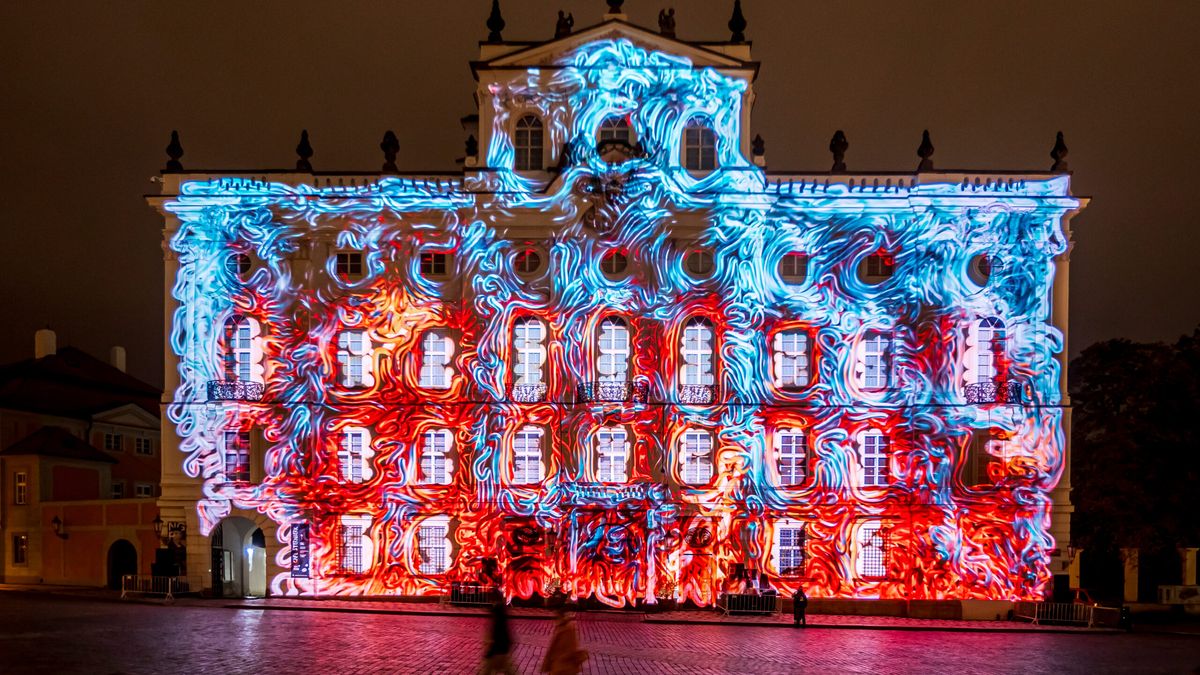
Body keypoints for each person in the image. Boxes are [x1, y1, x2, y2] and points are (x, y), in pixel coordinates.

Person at [541, 608, 588, 675]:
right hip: (560, 667)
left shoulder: (567, 630)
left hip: (562, 668)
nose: (554, 619)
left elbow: (570, 650)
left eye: (556, 617)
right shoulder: (562, 628)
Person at [480, 600, 516, 674]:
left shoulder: (497, 625)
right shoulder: (503, 624)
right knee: (510, 671)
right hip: (503, 652)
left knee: (486, 671)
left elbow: (493, 637)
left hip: (495, 653)